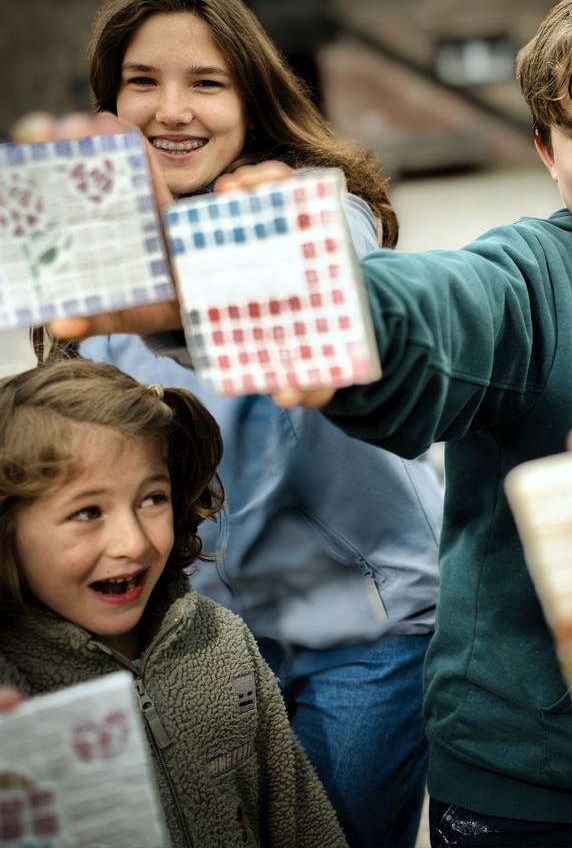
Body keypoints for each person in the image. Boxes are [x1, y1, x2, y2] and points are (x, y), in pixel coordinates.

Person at [39, 0, 572, 843]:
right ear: (544, 147)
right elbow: (425, 315)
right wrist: (241, 298)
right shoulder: (527, 277)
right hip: (525, 783)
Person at [75, 0, 443, 848]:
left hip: (367, 632)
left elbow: (310, 293)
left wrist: (186, 286)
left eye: (206, 83)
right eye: (143, 82)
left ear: (252, 99)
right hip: (204, 644)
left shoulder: (316, 211)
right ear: (110, 103)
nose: (172, 110)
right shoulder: (92, 264)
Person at [0, 359, 346, 848]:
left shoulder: (223, 640)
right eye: (87, 512)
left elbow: (299, 817)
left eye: (152, 499)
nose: (133, 543)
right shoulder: (9, 684)